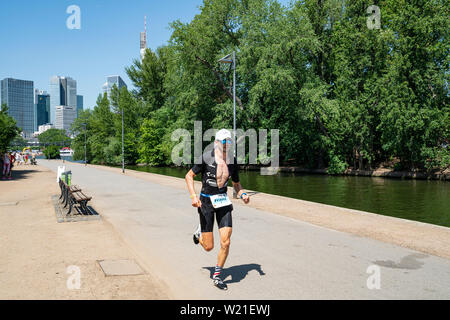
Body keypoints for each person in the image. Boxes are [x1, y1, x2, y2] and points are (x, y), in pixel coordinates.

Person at [185, 129, 250, 290]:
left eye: (229, 142)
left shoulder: (233, 161)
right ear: (216, 143)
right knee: (208, 247)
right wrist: (194, 196)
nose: (227, 145)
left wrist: (242, 193)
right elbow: (189, 176)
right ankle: (198, 233)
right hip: (206, 203)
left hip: (223, 202)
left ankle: (217, 276)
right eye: (224, 142)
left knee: (226, 241)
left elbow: (236, 184)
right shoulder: (207, 158)